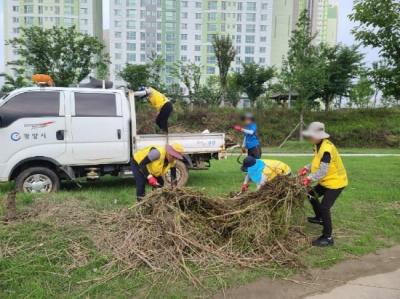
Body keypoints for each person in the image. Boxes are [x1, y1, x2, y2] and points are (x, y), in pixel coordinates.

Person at [298, 122, 348, 247]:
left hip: (336, 182)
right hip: (326, 181)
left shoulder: (326, 149)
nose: (310, 137)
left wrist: (308, 178)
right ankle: (319, 218)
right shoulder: (318, 145)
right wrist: (307, 167)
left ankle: (328, 237)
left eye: (312, 135)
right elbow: (317, 162)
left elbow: (322, 170)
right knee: (310, 195)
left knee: (325, 207)